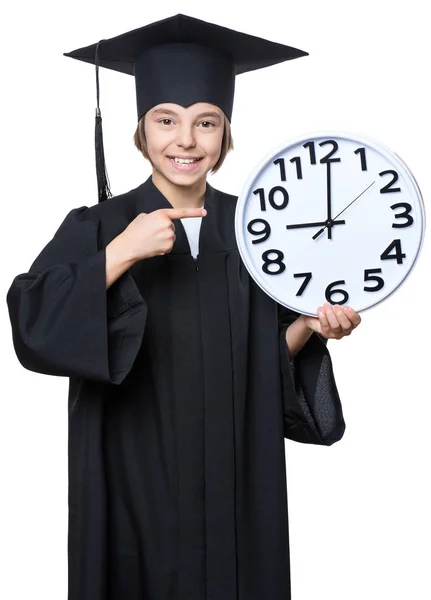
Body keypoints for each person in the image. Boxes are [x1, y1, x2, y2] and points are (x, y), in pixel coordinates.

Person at [6, 13, 361, 600]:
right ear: (141, 132)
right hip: (131, 485)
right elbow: (32, 323)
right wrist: (117, 255)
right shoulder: (99, 226)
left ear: (226, 134)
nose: (186, 141)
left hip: (234, 487)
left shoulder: (258, 232)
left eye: (206, 122)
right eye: (166, 121)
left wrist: (305, 328)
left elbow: (260, 373)